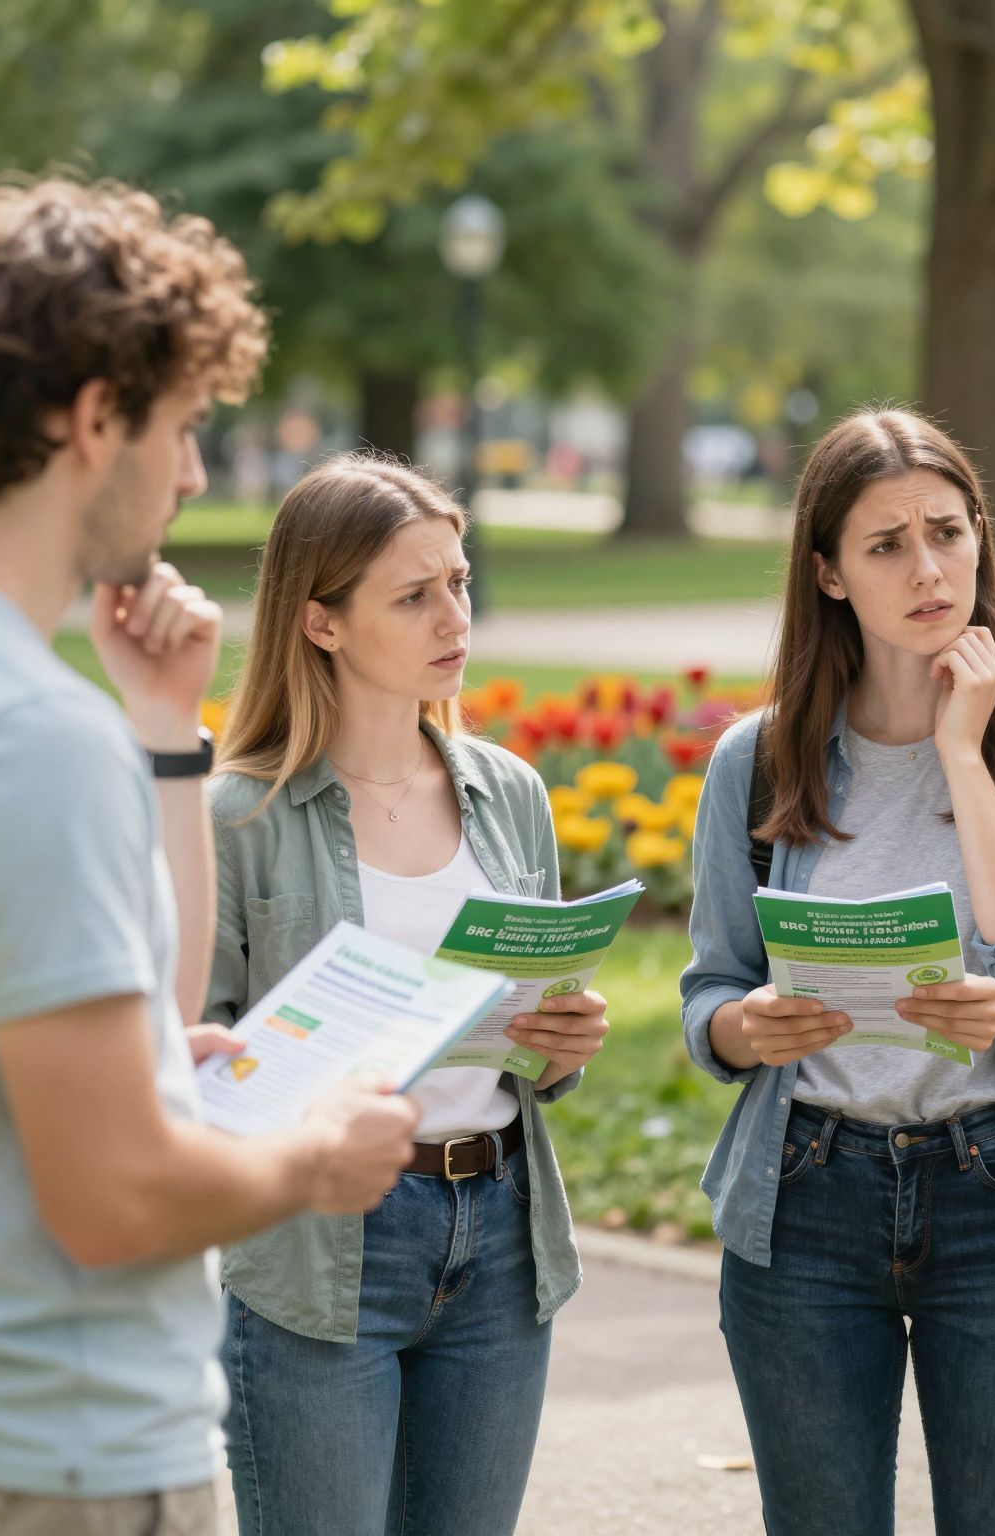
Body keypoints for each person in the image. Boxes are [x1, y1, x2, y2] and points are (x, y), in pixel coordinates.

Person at [0, 178, 418, 1536]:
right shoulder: (31, 740)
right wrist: (314, 1155)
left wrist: (167, 731)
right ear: (92, 414)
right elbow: (116, 1199)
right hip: (61, 1460)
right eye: (180, 428)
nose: (191, 475)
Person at [679, 408, 995, 1535]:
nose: (928, 569)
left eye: (947, 531)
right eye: (885, 545)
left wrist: (961, 754)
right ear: (827, 574)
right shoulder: (757, 758)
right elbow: (708, 991)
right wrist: (749, 1029)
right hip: (806, 1196)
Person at [204, 452, 610, 1535]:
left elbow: (539, 1056)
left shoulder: (508, 793)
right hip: (324, 1241)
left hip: (498, 1233)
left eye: (461, 583)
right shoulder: (237, 815)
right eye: (414, 595)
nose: (453, 616)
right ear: (321, 621)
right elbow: (195, 1058)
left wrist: (562, 1041)